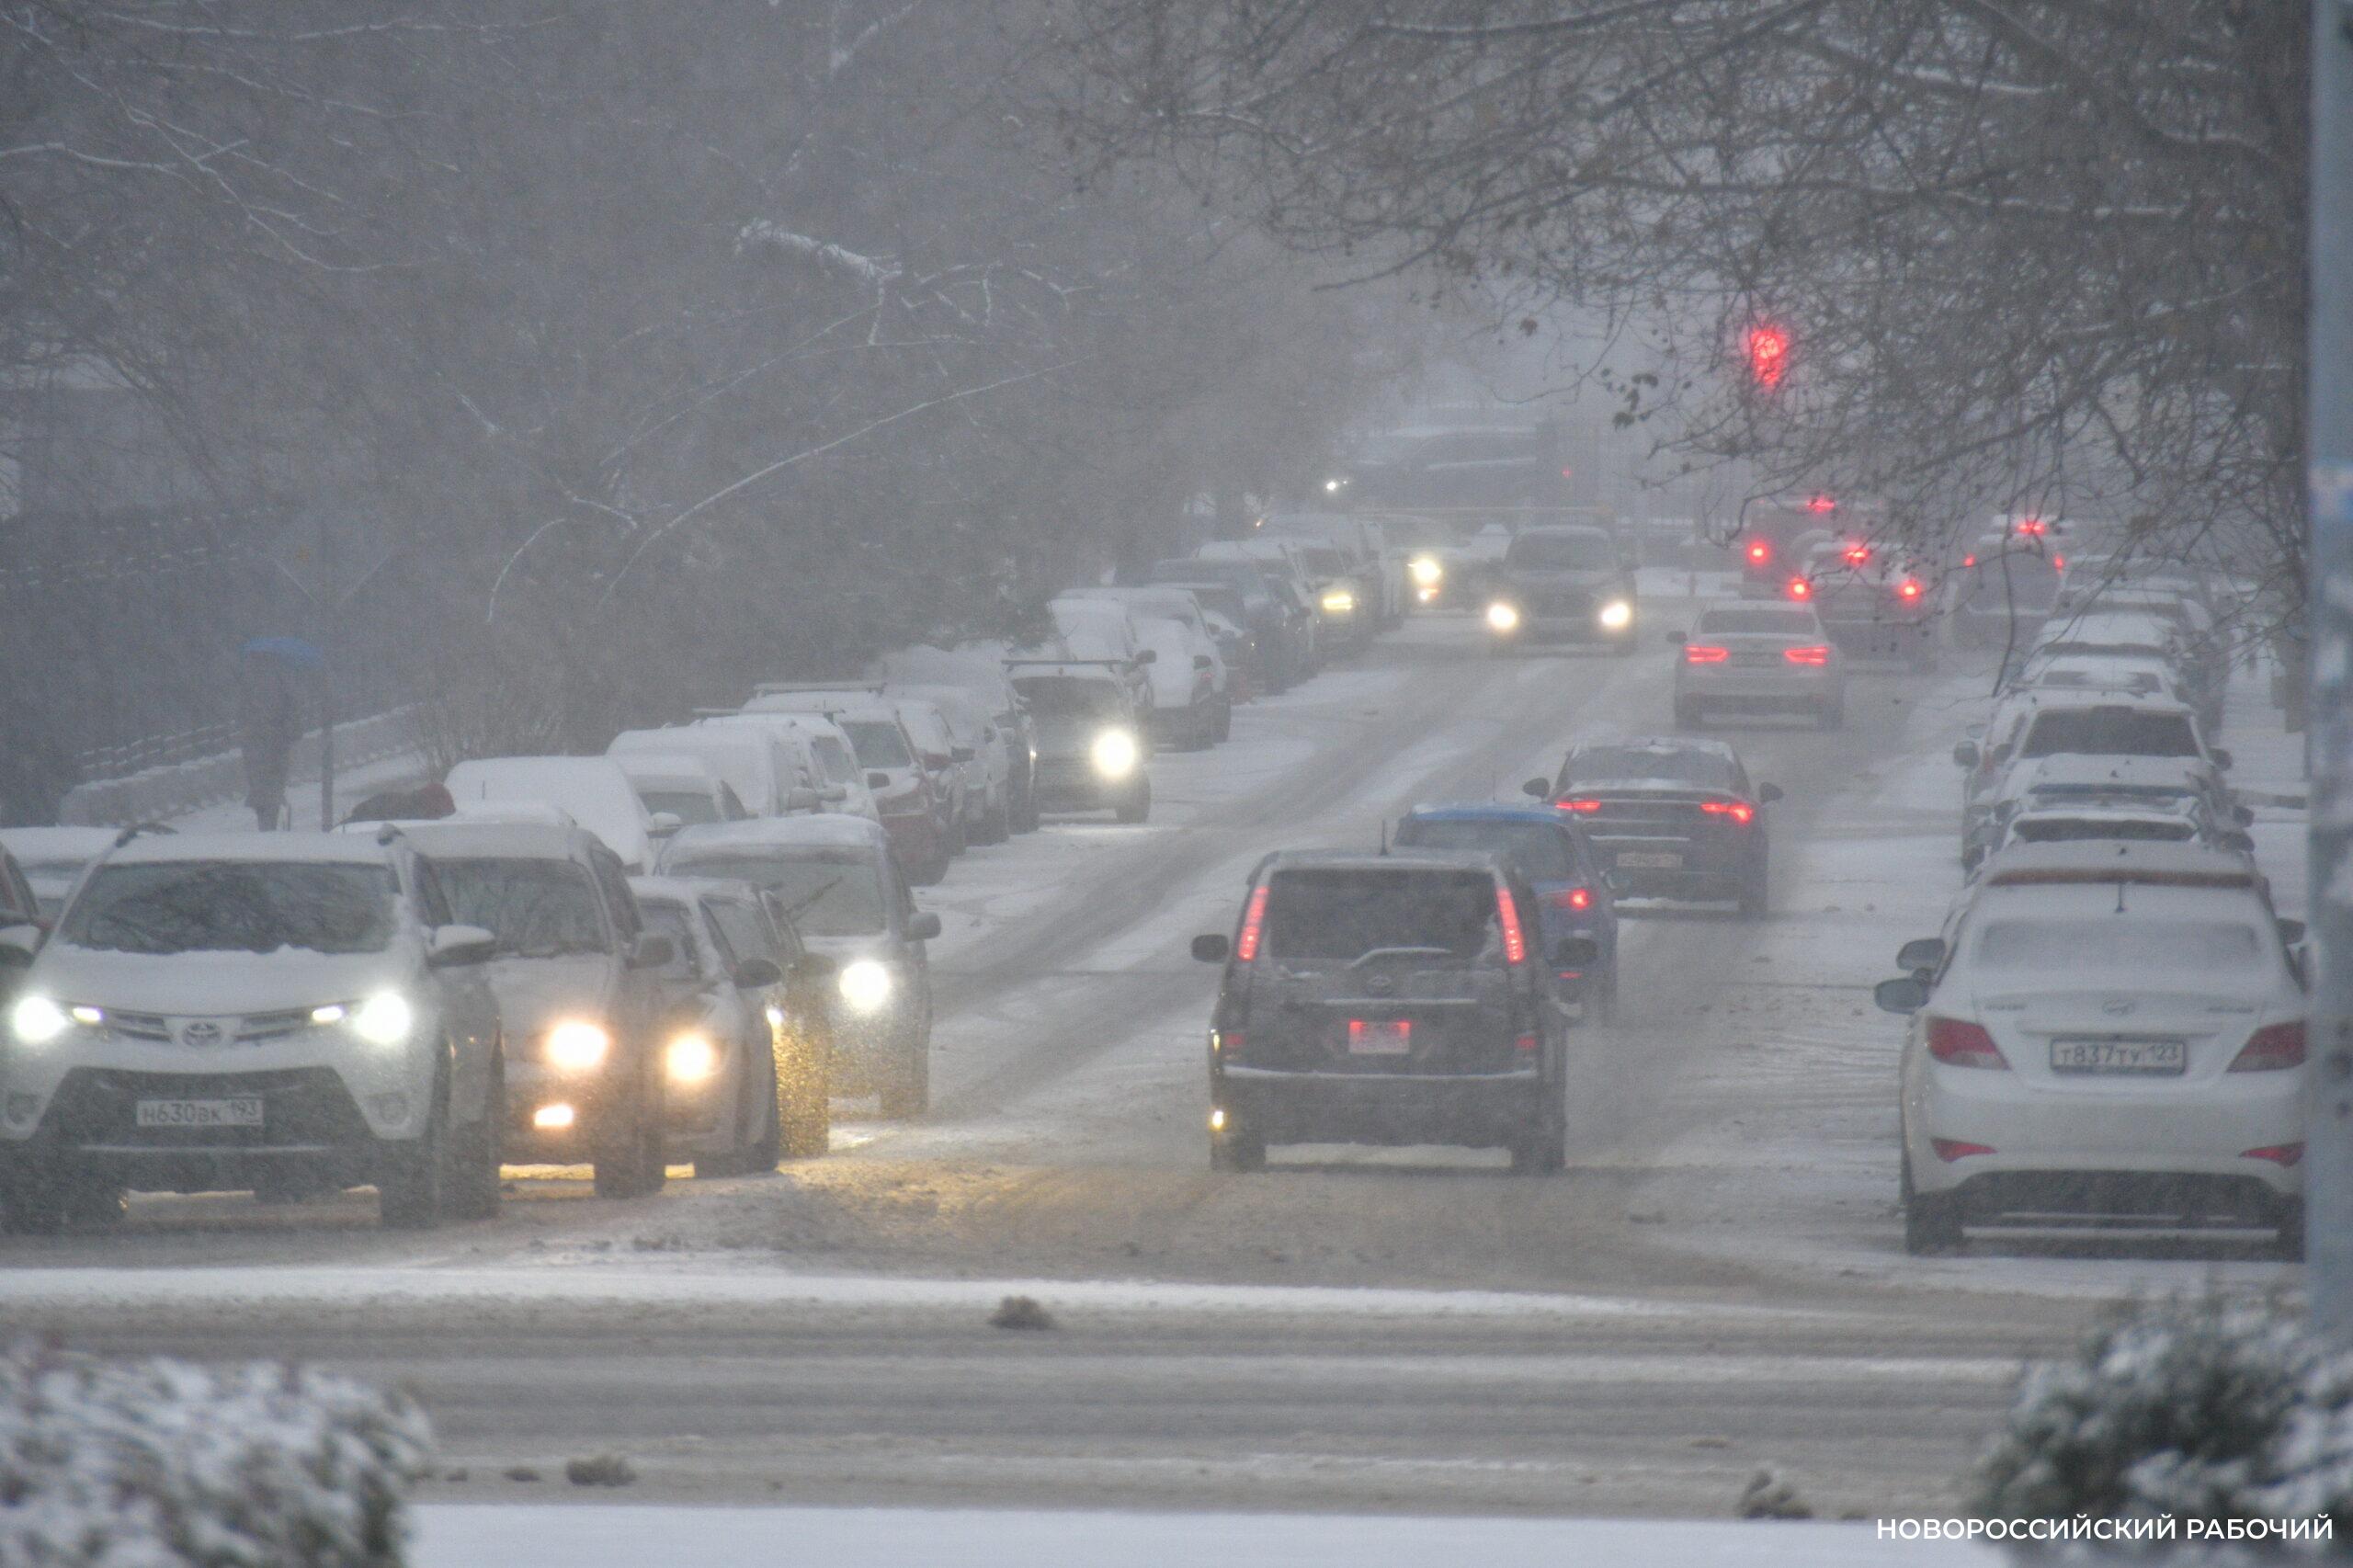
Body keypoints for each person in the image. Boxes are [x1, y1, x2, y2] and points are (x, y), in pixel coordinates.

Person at [236, 639, 321, 831]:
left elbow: (241, 712)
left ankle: (264, 820)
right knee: (273, 785)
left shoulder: (247, 680)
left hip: (255, 741)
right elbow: (294, 708)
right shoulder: (283, 678)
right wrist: (290, 730)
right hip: (276, 740)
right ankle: (269, 821)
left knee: (260, 785)